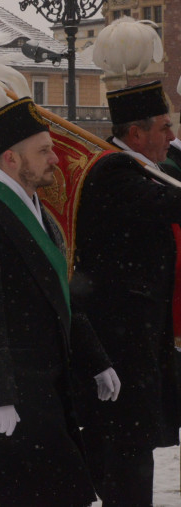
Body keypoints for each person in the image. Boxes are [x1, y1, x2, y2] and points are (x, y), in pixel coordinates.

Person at [0, 96, 116, 507]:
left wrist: (96, 360)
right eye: (44, 151)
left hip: (46, 390)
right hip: (8, 399)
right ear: (11, 159)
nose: (55, 158)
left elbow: (61, 296)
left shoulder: (40, 212)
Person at [72, 80, 181, 506]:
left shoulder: (138, 166)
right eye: (165, 127)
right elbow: (171, 205)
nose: (172, 137)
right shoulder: (114, 171)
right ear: (136, 133)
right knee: (125, 465)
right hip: (119, 352)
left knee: (131, 458)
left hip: (136, 347)